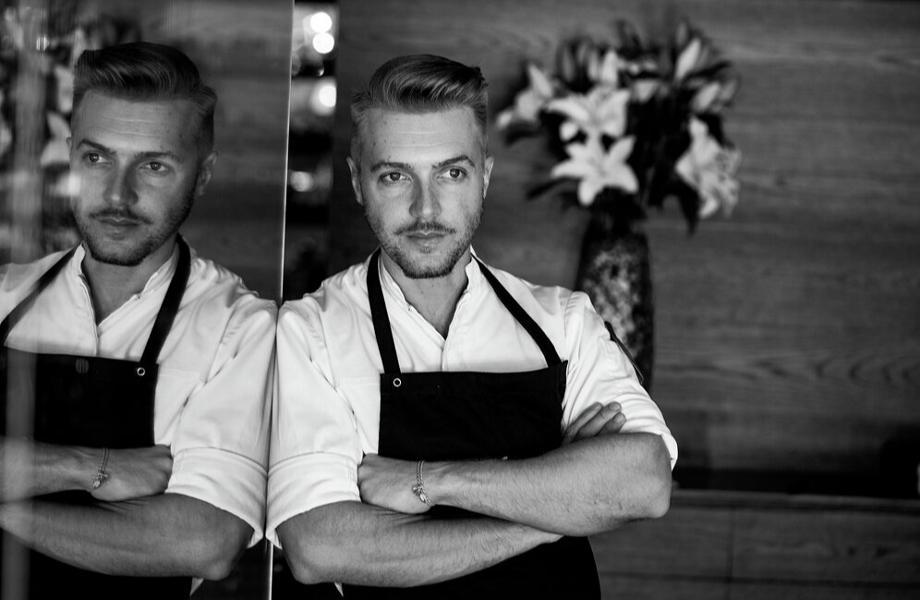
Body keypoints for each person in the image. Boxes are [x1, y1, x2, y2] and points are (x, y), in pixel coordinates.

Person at [269, 54, 678, 598]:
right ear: (357, 182)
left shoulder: (564, 323)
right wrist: (558, 508)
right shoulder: (311, 333)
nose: (426, 209)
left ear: (484, 177)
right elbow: (319, 547)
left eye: (451, 173)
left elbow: (645, 482)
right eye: (395, 176)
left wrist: (430, 481)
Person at [0, 42, 275, 598]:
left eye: (153, 166)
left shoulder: (240, 329)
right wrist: (92, 468)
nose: (117, 195)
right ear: (70, 157)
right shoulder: (4, 293)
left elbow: (204, 541)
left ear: (202, 175)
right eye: (97, 158)